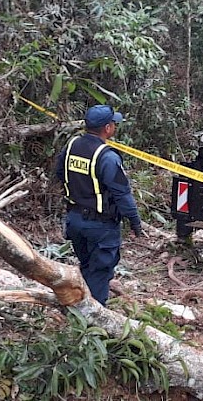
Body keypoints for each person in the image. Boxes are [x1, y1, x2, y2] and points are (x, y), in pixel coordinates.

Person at [54, 104, 143, 306]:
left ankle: (79, 307)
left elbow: (60, 173)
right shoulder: (107, 157)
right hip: (100, 226)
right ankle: (93, 317)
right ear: (107, 128)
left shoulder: (72, 146)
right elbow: (122, 194)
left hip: (74, 220)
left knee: (86, 265)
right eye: (114, 124)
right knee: (100, 271)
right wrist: (135, 222)